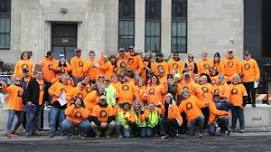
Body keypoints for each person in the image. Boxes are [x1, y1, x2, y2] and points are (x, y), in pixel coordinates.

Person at [24, 71, 45, 136]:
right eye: (37, 74)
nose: (39, 75)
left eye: (40, 74)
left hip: (40, 103)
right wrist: (28, 100)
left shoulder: (45, 82)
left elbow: (46, 93)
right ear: (35, 75)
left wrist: (46, 101)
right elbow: (27, 92)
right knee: (30, 117)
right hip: (32, 103)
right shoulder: (32, 82)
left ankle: (34, 132)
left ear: (42, 75)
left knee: (36, 118)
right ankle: (27, 131)